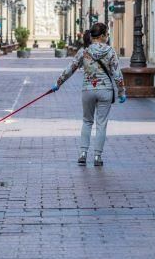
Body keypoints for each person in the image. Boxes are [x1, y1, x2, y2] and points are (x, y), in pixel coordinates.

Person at [51, 23, 126, 167]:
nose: (107, 37)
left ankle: (83, 153)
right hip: (105, 90)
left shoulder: (83, 51)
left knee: (87, 122)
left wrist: (58, 83)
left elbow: (70, 69)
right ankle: (97, 156)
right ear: (103, 36)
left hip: (88, 89)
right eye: (107, 34)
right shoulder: (110, 51)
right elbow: (117, 74)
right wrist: (122, 92)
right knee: (101, 124)